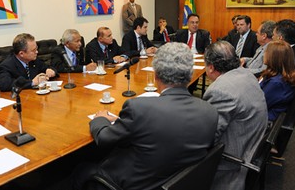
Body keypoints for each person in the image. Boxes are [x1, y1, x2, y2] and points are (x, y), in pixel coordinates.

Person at [69, 42, 219, 190]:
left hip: (136, 183)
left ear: (156, 75)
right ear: (190, 74)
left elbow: (104, 139)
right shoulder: (209, 111)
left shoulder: (139, 108)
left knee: (81, 170)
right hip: (177, 180)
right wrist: (122, 122)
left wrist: (100, 119)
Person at [203, 41, 268, 190]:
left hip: (231, 163)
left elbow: (208, 138)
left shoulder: (221, 90)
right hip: (248, 144)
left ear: (211, 68)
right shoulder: (246, 74)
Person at [260, 40, 295, 121]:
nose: (264, 54)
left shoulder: (277, 83)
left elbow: (258, 105)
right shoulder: (280, 77)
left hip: (264, 123)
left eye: (266, 52)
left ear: (274, 57)